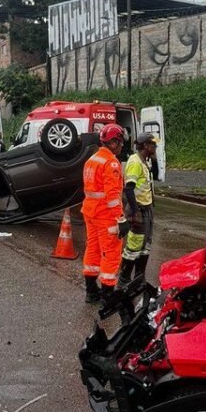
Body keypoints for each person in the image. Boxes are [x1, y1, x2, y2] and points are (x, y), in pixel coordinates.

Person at [81, 123, 127, 306]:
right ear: (114, 142)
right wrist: (121, 219)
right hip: (106, 215)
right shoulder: (111, 163)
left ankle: (91, 292)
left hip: (90, 212)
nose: (123, 145)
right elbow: (112, 196)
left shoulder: (92, 159)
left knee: (92, 249)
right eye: (121, 141)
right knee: (111, 253)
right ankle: (108, 296)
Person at [118, 132, 157, 287]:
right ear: (145, 145)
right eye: (153, 144)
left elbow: (156, 177)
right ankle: (124, 279)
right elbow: (128, 189)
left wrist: (153, 162)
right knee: (134, 246)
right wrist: (134, 211)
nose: (155, 147)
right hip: (138, 209)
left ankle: (139, 278)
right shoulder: (135, 162)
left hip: (147, 209)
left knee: (145, 245)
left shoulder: (145, 161)